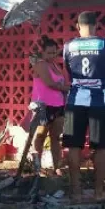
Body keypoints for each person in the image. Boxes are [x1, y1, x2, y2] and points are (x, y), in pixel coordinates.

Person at [62, 11, 105, 202]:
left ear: (78, 27)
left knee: (73, 146)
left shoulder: (68, 47)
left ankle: (77, 192)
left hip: (75, 101)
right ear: (96, 25)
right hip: (100, 102)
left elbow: (70, 73)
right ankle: (98, 192)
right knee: (101, 147)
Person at [30, 36, 70, 175]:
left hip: (58, 106)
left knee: (55, 137)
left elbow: (61, 84)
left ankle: (56, 166)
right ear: (43, 52)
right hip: (43, 107)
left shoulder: (55, 66)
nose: (52, 56)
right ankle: (37, 166)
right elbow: (50, 83)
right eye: (49, 53)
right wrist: (67, 88)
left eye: (54, 53)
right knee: (40, 137)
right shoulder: (41, 64)